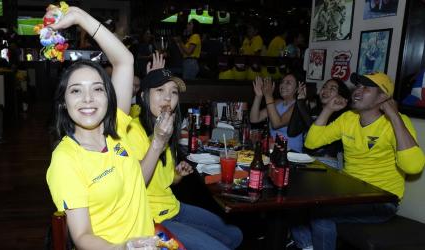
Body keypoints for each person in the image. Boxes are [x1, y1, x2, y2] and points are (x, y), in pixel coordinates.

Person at [46, 6, 160, 249]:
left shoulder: (116, 126)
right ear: (64, 103)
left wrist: (79, 17)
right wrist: (126, 247)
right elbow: (82, 236)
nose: (88, 98)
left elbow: (124, 60)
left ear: (109, 98)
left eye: (97, 88)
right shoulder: (65, 159)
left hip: (151, 241)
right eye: (76, 90)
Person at [291, 72, 425, 250]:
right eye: (358, 86)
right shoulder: (349, 118)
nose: (357, 91)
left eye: (366, 88)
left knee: (320, 216)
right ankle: (308, 246)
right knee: (296, 203)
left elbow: (413, 166)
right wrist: (328, 109)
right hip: (348, 194)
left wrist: (394, 117)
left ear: (383, 97)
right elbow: (312, 142)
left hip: (381, 201)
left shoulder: (398, 123)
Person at [127, 66, 243, 250]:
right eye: (160, 90)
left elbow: (165, 180)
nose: (168, 97)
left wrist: (177, 174)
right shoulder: (133, 131)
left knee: (234, 235)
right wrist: (157, 142)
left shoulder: (165, 126)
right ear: (143, 96)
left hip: (173, 207)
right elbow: (133, 185)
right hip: (151, 218)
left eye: (173, 92)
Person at [288, 78, 351, 158]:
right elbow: (291, 132)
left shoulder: (340, 117)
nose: (326, 90)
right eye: (324, 87)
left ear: (341, 96)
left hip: (327, 162)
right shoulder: (314, 111)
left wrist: (301, 104)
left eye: (332, 88)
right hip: (306, 158)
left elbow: (315, 132)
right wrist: (299, 102)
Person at [250, 74, 303, 152]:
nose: (283, 85)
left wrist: (268, 96)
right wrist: (259, 96)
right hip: (274, 150)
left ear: (297, 89)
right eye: (282, 82)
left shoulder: (298, 105)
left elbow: (276, 124)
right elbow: (254, 119)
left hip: (291, 153)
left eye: (288, 83)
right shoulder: (277, 102)